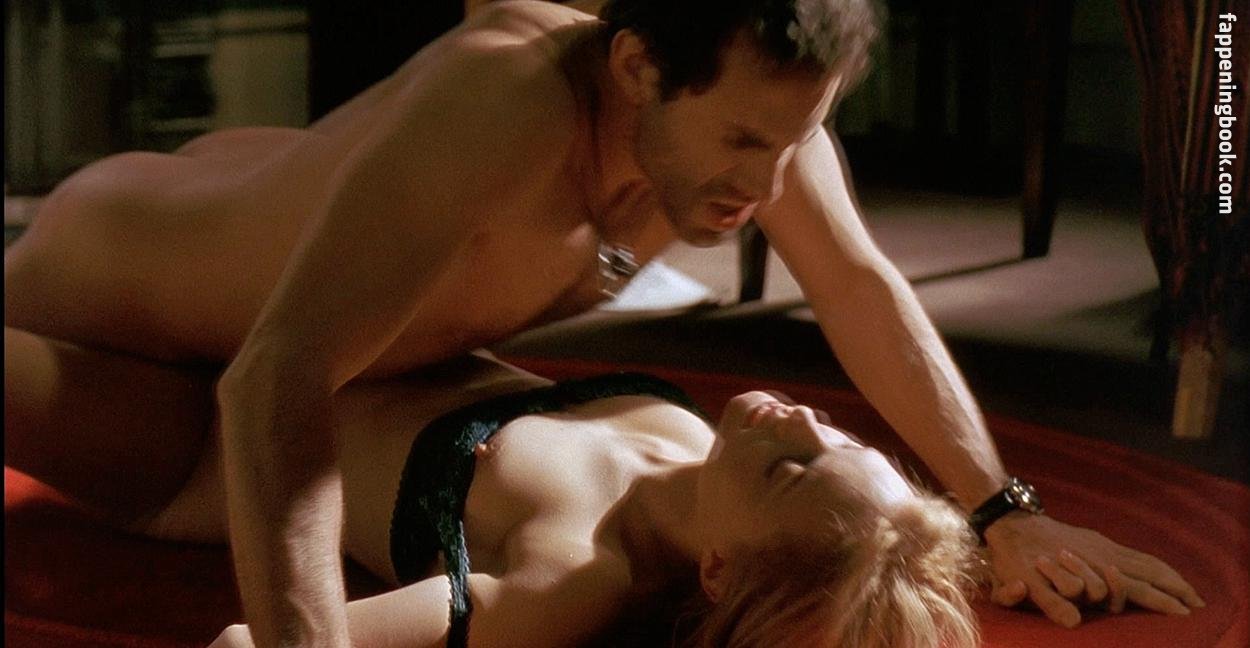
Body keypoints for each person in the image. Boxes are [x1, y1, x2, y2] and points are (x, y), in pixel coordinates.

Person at [2, 1, 1204, 645]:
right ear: (634, 69)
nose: (770, 186)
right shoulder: (508, 105)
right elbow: (275, 380)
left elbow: (857, 287)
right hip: (122, 284)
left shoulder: (751, 122)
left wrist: (1000, 511)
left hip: (312, 346)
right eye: (743, 140)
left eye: (796, 140)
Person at [6, 347, 984, 647]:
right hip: (272, 338)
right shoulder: (698, 441)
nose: (802, 420)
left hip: (195, 447)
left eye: (789, 469)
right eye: (844, 439)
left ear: (721, 571)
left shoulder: (575, 579)